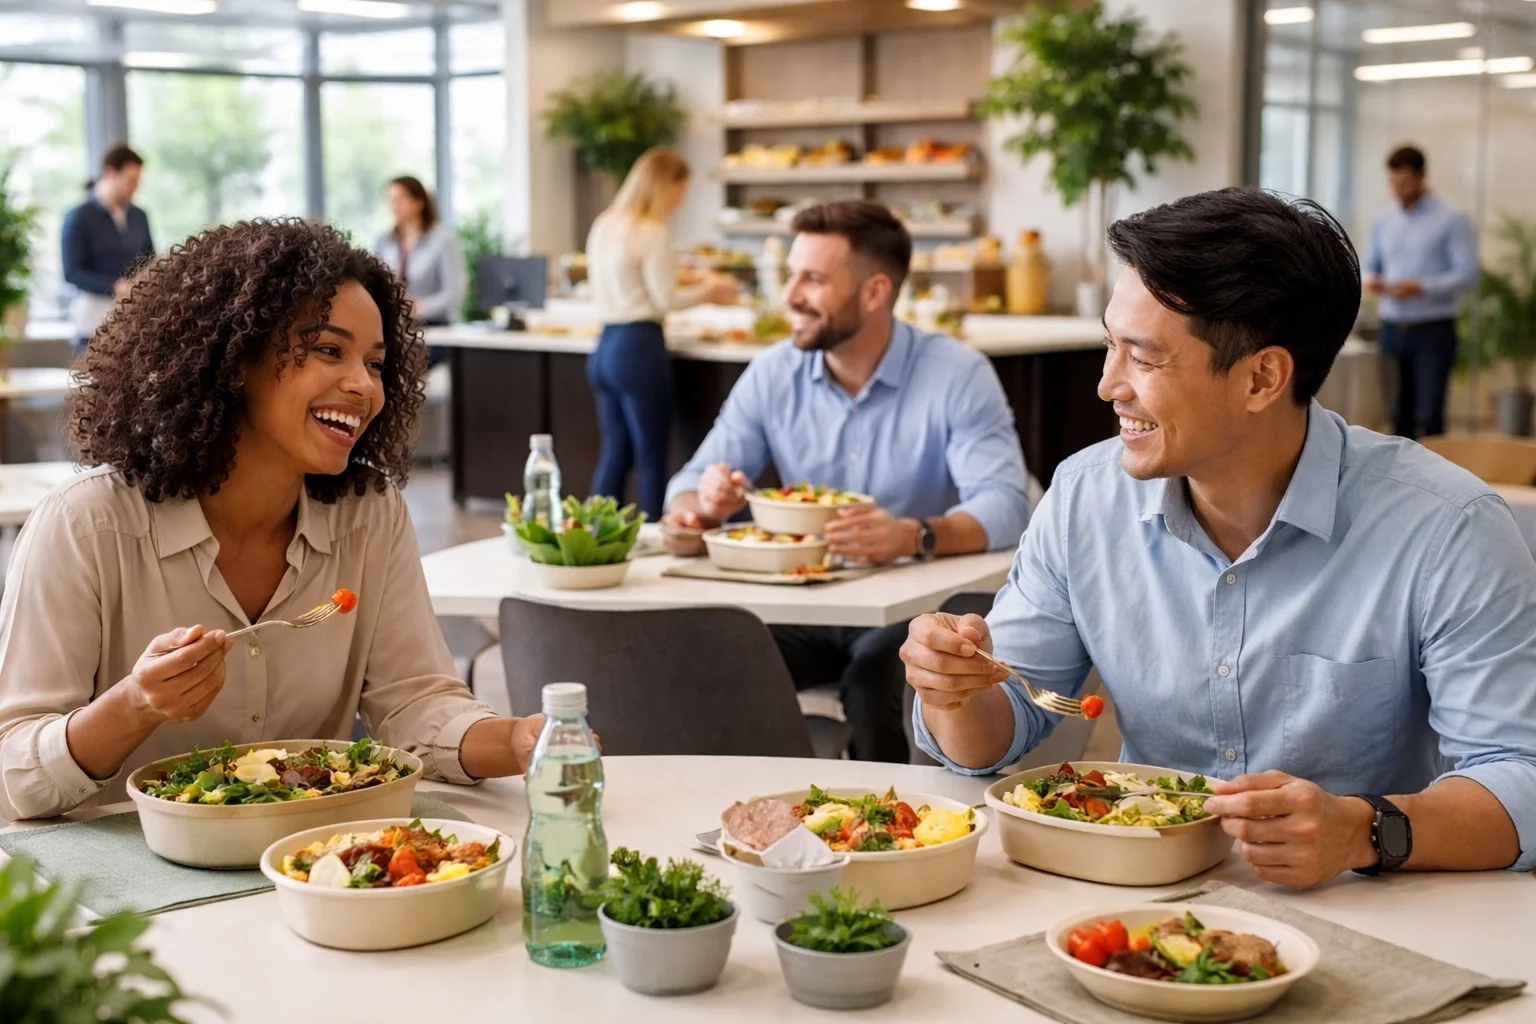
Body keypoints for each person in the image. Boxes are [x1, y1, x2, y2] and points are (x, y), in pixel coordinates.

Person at [901, 187, 1536, 888]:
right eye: (1110, 344)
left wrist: (1361, 829)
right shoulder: (1084, 497)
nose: (1108, 385)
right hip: (1136, 904)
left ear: (1263, 376)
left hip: (1371, 905)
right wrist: (954, 693)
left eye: (1143, 358)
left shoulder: (1447, 527)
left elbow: (1521, 778)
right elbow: (1002, 728)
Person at [0, 218, 545, 822]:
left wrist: (518, 741)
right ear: (234, 358)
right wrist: (135, 705)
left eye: (376, 363)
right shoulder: (88, 524)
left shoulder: (369, 514)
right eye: (329, 351)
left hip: (314, 872)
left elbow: (415, 701)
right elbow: (10, 772)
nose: (364, 385)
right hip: (124, 899)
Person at [665, 200, 1030, 763]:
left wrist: (912, 535)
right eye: (792, 275)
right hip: (805, 605)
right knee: (715, 661)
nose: (789, 296)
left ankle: (888, 835)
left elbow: (1006, 505)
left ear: (875, 291)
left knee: (871, 680)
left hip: (913, 611)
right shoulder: (773, 373)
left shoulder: (957, 374)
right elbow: (687, 484)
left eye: (811, 279)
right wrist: (701, 506)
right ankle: (760, 822)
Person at [586, 147, 737, 518]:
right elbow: (664, 298)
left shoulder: (605, 223)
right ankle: (655, 536)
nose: (681, 199)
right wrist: (712, 292)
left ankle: (591, 533)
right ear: (663, 186)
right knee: (652, 455)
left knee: (615, 452)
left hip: (604, 347)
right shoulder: (652, 230)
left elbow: (632, 280)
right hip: (639, 348)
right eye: (679, 190)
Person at [1363, 145, 1477, 439]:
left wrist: (1422, 287)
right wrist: (1372, 280)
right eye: (1392, 182)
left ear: (1422, 176)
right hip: (1391, 328)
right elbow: (1369, 266)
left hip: (1432, 330)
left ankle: (1437, 482)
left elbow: (1467, 275)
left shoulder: (1452, 218)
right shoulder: (1383, 221)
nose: (1398, 189)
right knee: (1396, 416)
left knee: (1429, 415)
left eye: (1404, 181)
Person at [60, 143, 154, 355]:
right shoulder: (79, 217)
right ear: (110, 173)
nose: (135, 187)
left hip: (133, 318)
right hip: (93, 321)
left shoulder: (139, 216)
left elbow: (150, 259)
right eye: (131, 180)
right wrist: (114, 286)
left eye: (138, 181)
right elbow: (72, 272)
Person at [374, 176, 464, 366]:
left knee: (402, 367)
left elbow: (454, 293)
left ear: (418, 203)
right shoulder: (385, 241)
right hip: (393, 327)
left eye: (399, 199)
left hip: (431, 329)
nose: (393, 206)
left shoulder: (442, 240)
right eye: (390, 200)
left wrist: (418, 308)